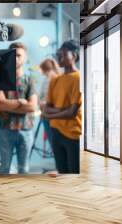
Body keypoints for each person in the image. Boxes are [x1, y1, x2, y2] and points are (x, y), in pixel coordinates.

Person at [0, 42, 38, 174]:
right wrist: (20, 102)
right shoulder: (1, 78)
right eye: (13, 55)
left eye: (19, 55)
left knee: (23, 169)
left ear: (25, 57)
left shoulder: (30, 80)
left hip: (26, 130)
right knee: (4, 168)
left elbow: (32, 107)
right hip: (5, 129)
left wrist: (8, 105)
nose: (16, 58)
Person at [42, 40, 82, 174]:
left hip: (73, 134)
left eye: (64, 54)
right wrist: (61, 110)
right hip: (55, 132)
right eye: (59, 54)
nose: (59, 57)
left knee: (74, 173)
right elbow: (47, 108)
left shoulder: (79, 78)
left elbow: (72, 113)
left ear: (74, 56)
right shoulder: (55, 79)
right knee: (62, 172)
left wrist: (49, 115)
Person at [38, 58, 60, 153]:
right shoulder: (45, 80)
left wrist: (45, 103)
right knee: (53, 144)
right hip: (46, 116)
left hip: (55, 117)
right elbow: (41, 97)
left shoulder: (58, 79)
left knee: (56, 145)